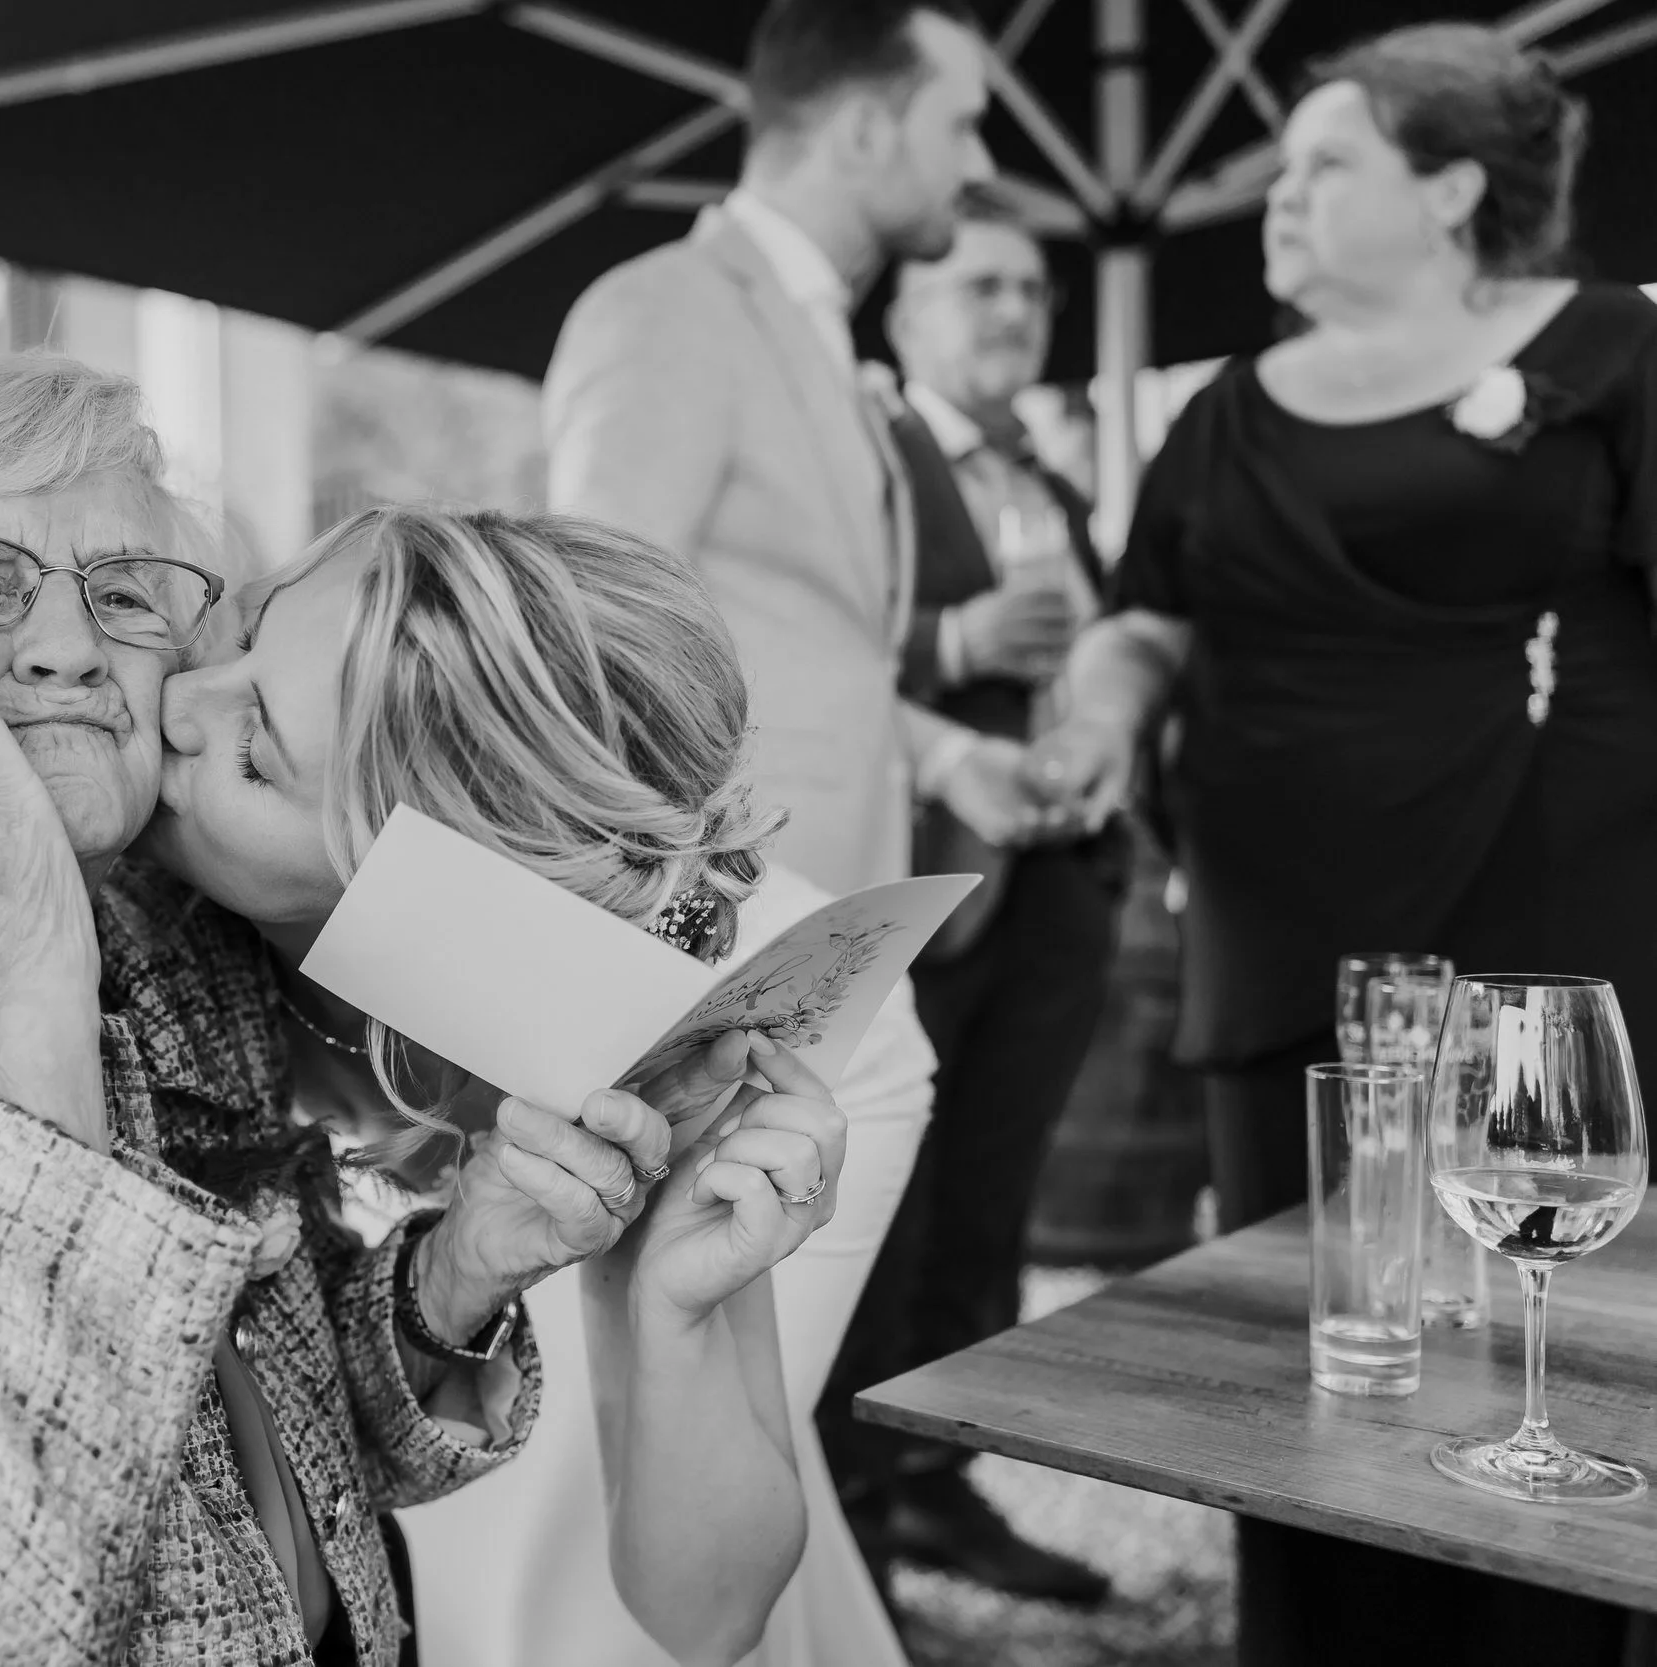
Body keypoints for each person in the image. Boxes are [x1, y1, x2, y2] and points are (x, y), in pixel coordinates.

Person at [0, 348, 846, 1666]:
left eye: (122, 595)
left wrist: (462, 1265)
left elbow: (231, 1422)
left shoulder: (175, 938)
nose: (69, 647)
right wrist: (12, 977)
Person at [1034, 25, 1657, 1665]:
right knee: (1317, 1351)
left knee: (1556, 1351)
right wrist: (1096, 714)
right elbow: (1140, 619)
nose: (1277, 194)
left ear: (1452, 188)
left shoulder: (1611, 351)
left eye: (1326, 161)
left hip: (1556, 923)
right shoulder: (1230, 407)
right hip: (1284, 937)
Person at [543, 3, 1067, 1654]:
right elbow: (591, 622)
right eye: (966, 124)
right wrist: (681, 916)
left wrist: (941, 754)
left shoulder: (828, 342)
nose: (981, 165)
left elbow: (807, 639)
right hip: (728, 955)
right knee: (712, 1366)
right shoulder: (669, 309)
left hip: (831, 945)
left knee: (778, 1370)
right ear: (864, 128)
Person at [817, 192, 1123, 1611]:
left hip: (1062, 886)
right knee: (897, 1217)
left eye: (1034, 293)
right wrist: (956, 635)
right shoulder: (864, 456)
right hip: (925, 885)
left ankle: (941, 1482)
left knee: (994, 1214)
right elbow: (813, 649)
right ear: (906, 313)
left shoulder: (1055, 479)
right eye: (983, 287)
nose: (1016, 314)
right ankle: (860, 1526)